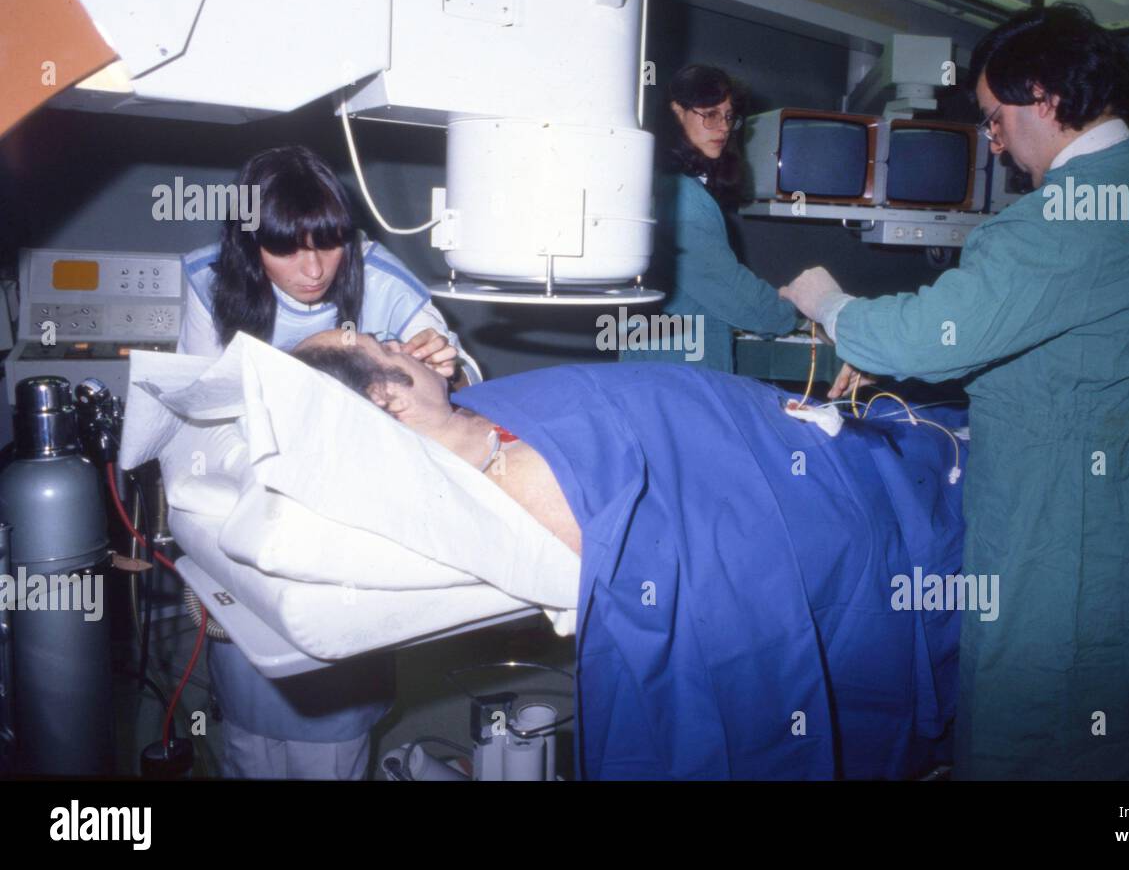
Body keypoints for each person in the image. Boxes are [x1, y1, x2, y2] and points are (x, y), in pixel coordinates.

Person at [780, 2, 1129, 780]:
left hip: (1060, 546)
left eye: (996, 117)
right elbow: (1081, 331)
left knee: (1033, 740)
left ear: (1043, 96)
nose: (994, 139)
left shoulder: (1062, 219)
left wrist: (825, 300)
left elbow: (918, 333)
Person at [292, 328, 968, 779]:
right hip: (826, 504)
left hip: (783, 428)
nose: (400, 339)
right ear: (386, 399)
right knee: (909, 506)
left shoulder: (466, 417)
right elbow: (705, 561)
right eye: (385, 347)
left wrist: (445, 380)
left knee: (909, 445)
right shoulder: (528, 487)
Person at [176, 144, 479, 779]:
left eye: (329, 241)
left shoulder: (380, 276)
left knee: (333, 740)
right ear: (248, 244)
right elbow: (195, 412)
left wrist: (446, 359)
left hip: (350, 523)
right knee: (250, 738)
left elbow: (456, 373)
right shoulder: (209, 281)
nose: (314, 269)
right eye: (286, 248)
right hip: (249, 509)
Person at [620, 65, 797, 372]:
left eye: (728, 116)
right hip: (679, 372)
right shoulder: (681, 198)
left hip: (660, 361)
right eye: (710, 114)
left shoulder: (664, 184)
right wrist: (802, 312)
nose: (723, 127)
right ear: (677, 113)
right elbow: (734, 292)